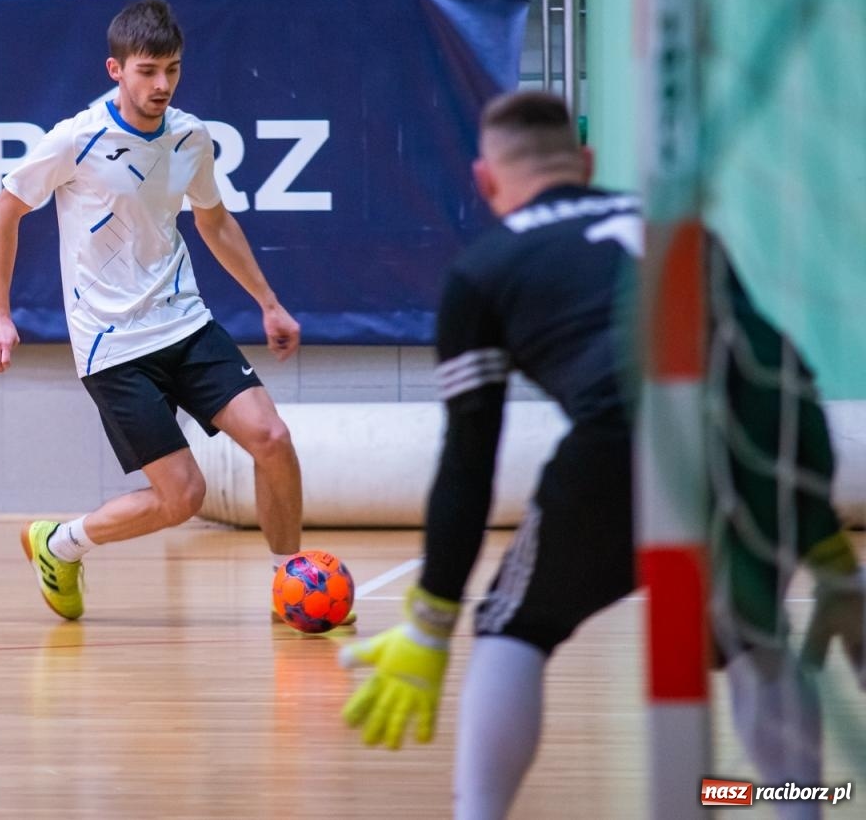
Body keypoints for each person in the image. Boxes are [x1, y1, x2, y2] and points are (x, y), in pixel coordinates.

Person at [340, 89, 859, 819]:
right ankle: (800, 806)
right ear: (585, 164)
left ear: (486, 182)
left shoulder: (483, 270)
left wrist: (432, 623)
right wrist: (833, 557)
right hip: (763, 432)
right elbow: (770, 380)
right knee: (750, 635)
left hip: (623, 438)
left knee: (512, 626)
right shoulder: (680, 230)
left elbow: (469, 457)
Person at [0, 0, 338, 625]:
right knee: (183, 498)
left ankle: (290, 584)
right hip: (113, 347)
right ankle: (59, 544)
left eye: (172, 69)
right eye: (148, 71)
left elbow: (214, 220)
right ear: (115, 70)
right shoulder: (75, 138)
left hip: (185, 322)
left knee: (273, 439)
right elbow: (5, 211)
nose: (162, 84)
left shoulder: (190, 136)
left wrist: (269, 302)